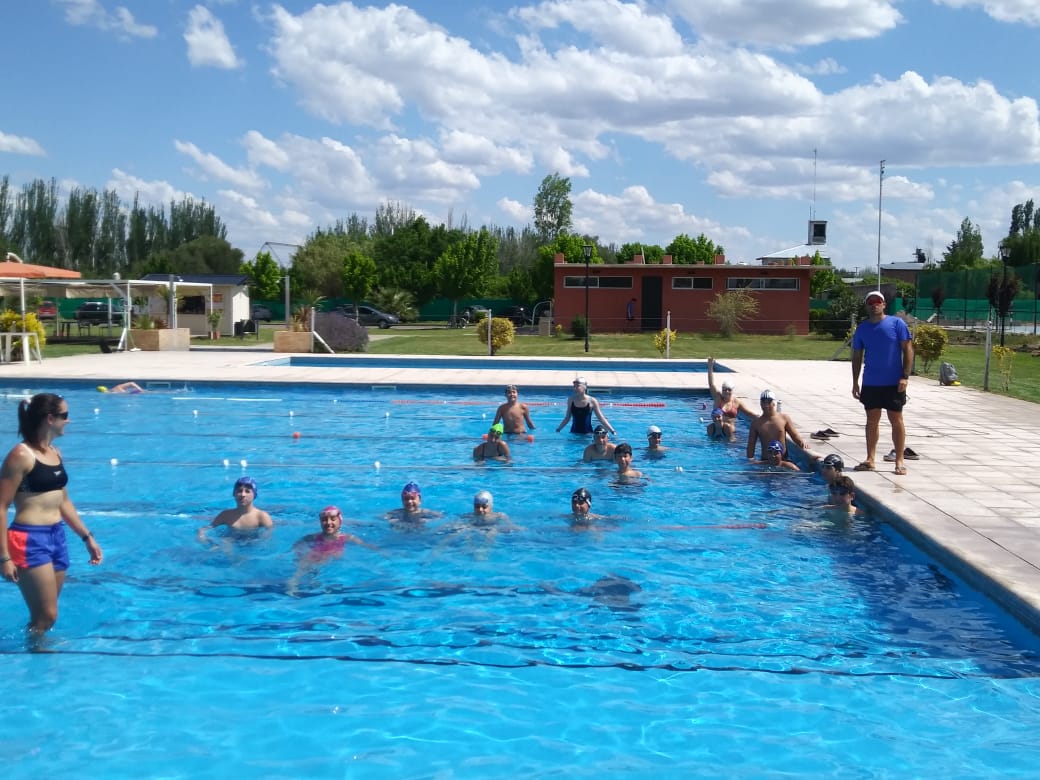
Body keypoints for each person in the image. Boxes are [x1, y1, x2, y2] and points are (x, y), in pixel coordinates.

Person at [0, 393, 102, 637]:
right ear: (49, 418)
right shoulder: (21, 455)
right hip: (29, 540)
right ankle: (32, 660)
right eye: (64, 416)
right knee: (48, 615)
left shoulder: (55, 453)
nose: (69, 421)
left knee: (44, 616)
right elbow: (1, 505)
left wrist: (87, 537)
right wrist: (4, 557)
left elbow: (63, 501)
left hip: (56, 536)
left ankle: (36, 656)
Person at [852, 290, 914, 476]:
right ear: (867, 306)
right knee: (872, 420)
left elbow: (908, 350)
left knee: (896, 419)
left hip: (893, 382)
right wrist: (855, 382)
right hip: (871, 382)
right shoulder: (862, 329)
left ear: (884, 304)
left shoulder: (897, 324)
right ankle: (870, 459)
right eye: (870, 302)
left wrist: (905, 376)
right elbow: (856, 357)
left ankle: (899, 460)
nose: (874, 304)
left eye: (878, 301)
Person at [197, 476, 273, 544]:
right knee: (226, 542)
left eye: (247, 491)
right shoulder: (226, 515)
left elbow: (267, 538)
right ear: (234, 494)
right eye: (240, 491)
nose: (243, 495)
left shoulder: (261, 516)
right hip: (231, 543)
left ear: (254, 495)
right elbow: (206, 528)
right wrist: (202, 535)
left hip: (253, 545)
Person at [746, 389, 808, 461]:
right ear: (760, 403)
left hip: (783, 460)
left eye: (769, 402)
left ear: (774, 403)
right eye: (763, 402)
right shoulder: (756, 423)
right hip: (766, 462)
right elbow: (751, 445)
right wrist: (750, 461)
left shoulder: (784, 418)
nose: (766, 405)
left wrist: (802, 443)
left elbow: (794, 435)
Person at [707, 357, 754, 421]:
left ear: (732, 390)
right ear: (722, 390)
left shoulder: (736, 402)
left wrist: (759, 418)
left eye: (729, 389)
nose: (726, 391)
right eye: (724, 389)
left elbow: (749, 413)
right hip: (718, 428)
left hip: (729, 430)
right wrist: (710, 367)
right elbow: (711, 384)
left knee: (728, 428)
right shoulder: (718, 397)